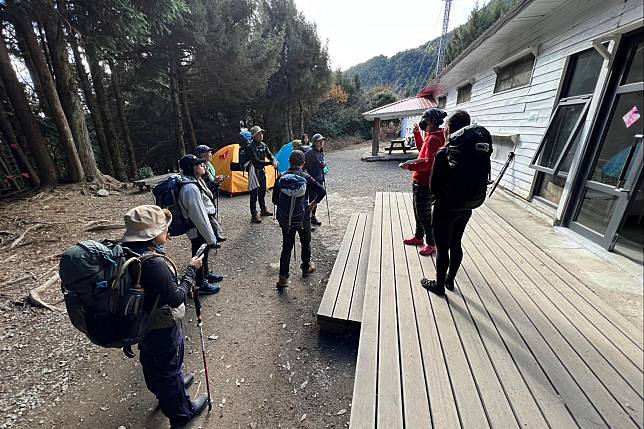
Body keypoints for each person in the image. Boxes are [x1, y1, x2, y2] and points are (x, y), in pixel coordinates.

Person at [121, 205, 208, 429]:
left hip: (139, 323)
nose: (168, 234)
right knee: (168, 365)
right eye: (164, 230)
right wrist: (191, 270)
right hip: (158, 324)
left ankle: (166, 392)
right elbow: (177, 297)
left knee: (152, 361)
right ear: (151, 235)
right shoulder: (152, 264)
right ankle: (181, 413)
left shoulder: (125, 251)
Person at [422, 110, 492, 295]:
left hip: (446, 206)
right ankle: (450, 281)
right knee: (456, 243)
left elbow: (434, 187)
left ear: (450, 130)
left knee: (443, 248)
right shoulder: (475, 151)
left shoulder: (444, 153)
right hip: (468, 205)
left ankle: (438, 286)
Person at [272, 150, 326, 288]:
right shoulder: (306, 177)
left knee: (286, 247)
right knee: (306, 242)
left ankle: (283, 279)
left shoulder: (281, 177)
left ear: (289, 162)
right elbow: (322, 191)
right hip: (303, 217)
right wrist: (311, 205)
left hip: (286, 220)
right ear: (303, 163)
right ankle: (306, 268)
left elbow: (275, 200)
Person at [399, 108, 447, 256]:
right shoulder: (432, 135)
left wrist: (410, 166)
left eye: (424, 119)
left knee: (424, 215)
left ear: (432, 121)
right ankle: (419, 237)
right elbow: (422, 151)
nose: (422, 122)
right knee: (418, 212)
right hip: (421, 182)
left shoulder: (434, 138)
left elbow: (428, 162)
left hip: (425, 183)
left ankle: (431, 244)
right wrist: (416, 134)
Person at [178, 154, 222, 294]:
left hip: (200, 225)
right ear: (191, 168)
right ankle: (200, 283)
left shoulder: (196, 181)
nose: (203, 165)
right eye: (199, 164)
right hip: (196, 227)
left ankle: (205, 273)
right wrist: (211, 237)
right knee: (199, 251)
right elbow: (198, 216)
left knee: (204, 251)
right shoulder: (190, 188)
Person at [194, 145, 226, 242]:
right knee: (208, 215)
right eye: (209, 152)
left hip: (211, 191)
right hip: (205, 195)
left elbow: (211, 178)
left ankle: (215, 235)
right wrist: (215, 182)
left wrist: (216, 180)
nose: (211, 154)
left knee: (212, 213)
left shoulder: (208, 165)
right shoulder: (200, 168)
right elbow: (202, 185)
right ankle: (211, 239)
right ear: (202, 155)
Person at [247, 125, 278, 223]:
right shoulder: (250, 147)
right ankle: (254, 214)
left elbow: (269, 154)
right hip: (253, 173)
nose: (261, 135)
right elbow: (256, 161)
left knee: (262, 192)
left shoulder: (264, 145)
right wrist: (270, 163)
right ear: (254, 136)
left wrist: (273, 159)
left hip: (262, 172)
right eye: (258, 134)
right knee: (253, 194)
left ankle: (263, 210)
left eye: (261, 133)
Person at [304, 133, 327, 226]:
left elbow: (319, 164)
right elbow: (303, 164)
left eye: (322, 141)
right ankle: (307, 220)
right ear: (314, 142)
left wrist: (322, 165)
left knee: (316, 199)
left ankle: (312, 217)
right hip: (312, 180)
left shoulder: (320, 152)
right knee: (312, 199)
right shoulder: (310, 152)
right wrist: (307, 176)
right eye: (319, 141)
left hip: (319, 178)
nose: (321, 142)